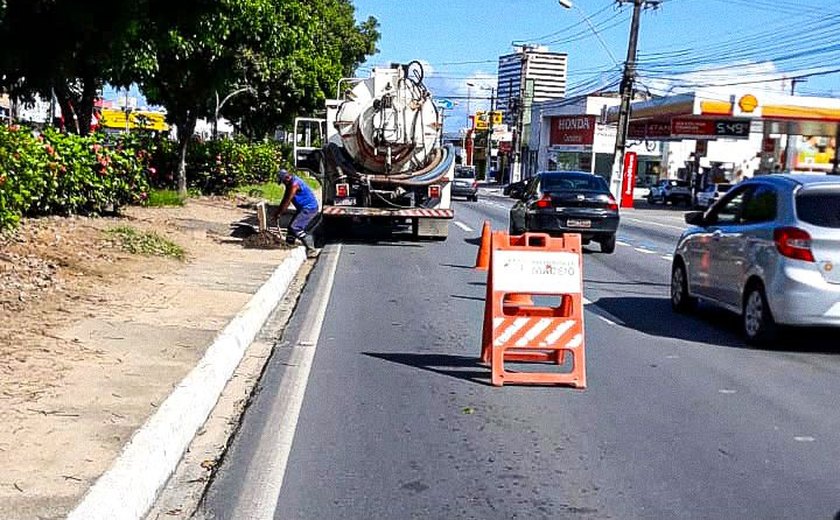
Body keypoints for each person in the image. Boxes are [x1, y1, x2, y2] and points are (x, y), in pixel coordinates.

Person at [276, 169, 321, 258]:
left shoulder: (294, 184)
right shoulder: (290, 184)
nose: (283, 183)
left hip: (309, 209)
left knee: (296, 227)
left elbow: (288, 200)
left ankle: (311, 249)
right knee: (290, 228)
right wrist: (278, 212)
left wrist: (279, 213)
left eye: (283, 181)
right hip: (302, 209)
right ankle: (289, 245)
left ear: (287, 178)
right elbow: (285, 198)